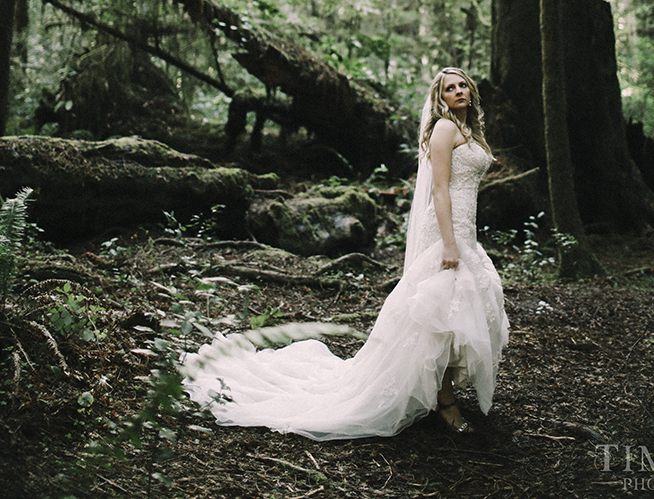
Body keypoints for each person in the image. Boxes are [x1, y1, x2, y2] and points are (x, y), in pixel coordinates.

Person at [181, 67, 509, 439]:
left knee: (457, 314)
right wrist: (449, 243)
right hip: (447, 233)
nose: (459, 91)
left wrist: (464, 238)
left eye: (463, 84)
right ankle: (444, 399)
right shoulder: (445, 129)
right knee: (439, 314)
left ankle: (439, 391)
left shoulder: (469, 131)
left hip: (466, 231)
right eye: (450, 88)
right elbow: (438, 191)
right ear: (441, 98)